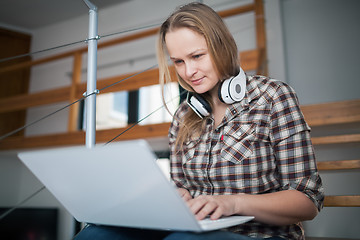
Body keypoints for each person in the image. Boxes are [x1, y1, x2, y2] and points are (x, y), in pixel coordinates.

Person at [74, 2, 324, 240]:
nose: (188, 72)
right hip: (194, 231)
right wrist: (176, 197)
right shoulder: (183, 115)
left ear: (222, 46)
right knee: (96, 234)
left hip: (261, 235)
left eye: (197, 56)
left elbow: (307, 201)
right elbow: (182, 189)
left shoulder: (273, 97)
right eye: (179, 62)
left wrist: (233, 203)